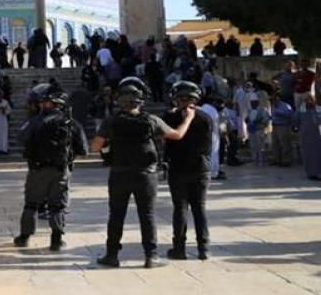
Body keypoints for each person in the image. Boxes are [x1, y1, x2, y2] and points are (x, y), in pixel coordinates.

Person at [91, 77, 196, 269]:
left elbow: (95, 145)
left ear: (120, 100)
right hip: (146, 175)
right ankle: (151, 256)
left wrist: (109, 145)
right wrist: (188, 118)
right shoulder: (151, 120)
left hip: (119, 174)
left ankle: (112, 255)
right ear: (140, 101)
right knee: (147, 215)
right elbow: (177, 135)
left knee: (116, 215)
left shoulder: (111, 122)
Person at [14, 85, 88, 251]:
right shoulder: (72, 123)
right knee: (57, 206)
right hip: (61, 170)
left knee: (31, 204)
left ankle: (24, 237)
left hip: (37, 170)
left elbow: (21, 138)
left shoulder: (34, 121)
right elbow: (84, 150)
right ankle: (56, 241)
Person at [163, 81, 213, 261]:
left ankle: (179, 248)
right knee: (199, 208)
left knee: (180, 208)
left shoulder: (170, 118)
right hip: (200, 168)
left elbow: (166, 143)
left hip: (178, 169)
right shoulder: (206, 118)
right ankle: (203, 248)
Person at [294, 94, 321, 180]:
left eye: (310, 100)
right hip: (305, 137)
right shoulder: (300, 112)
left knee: (318, 155)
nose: (309, 102)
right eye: (306, 100)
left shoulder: (318, 110)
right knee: (307, 155)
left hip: (317, 137)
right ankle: (311, 173)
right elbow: (295, 121)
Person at [199, 96, 225, 180]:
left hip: (202, 135)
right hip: (213, 135)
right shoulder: (213, 111)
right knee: (213, 154)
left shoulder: (201, 109)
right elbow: (216, 125)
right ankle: (213, 173)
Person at [271, 94, 296, 167]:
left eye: (274, 99)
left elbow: (289, 114)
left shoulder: (285, 106)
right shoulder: (273, 106)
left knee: (285, 143)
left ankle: (286, 160)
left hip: (283, 126)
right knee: (275, 143)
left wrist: (278, 112)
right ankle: (277, 159)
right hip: (275, 126)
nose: (273, 101)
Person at [246, 93, 271, 166]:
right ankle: (255, 160)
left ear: (257, 102)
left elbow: (266, 119)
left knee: (260, 146)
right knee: (253, 146)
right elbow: (248, 119)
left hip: (259, 130)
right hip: (251, 130)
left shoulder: (263, 110)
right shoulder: (250, 110)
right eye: (251, 103)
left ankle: (261, 160)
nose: (252, 104)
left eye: (254, 102)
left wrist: (260, 121)